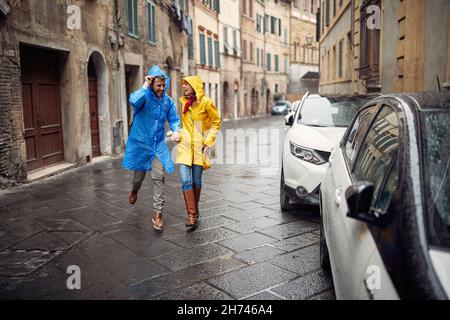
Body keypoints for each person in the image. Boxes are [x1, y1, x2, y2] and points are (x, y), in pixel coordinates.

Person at [122, 65, 181, 231]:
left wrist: (176, 130)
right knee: (138, 178)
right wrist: (145, 86)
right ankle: (134, 190)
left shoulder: (168, 102)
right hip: (142, 144)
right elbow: (133, 100)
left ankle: (157, 214)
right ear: (152, 84)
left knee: (158, 177)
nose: (162, 88)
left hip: (158, 145)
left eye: (164, 85)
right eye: (158, 85)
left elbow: (174, 119)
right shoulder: (144, 97)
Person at [176, 76, 221, 228]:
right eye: (183, 85)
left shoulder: (206, 103)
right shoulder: (184, 102)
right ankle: (192, 215)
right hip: (184, 147)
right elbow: (181, 124)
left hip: (199, 148)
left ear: (195, 86)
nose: (184, 87)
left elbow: (216, 122)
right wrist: (177, 132)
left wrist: (208, 142)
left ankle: (194, 211)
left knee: (196, 181)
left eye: (187, 84)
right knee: (185, 181)